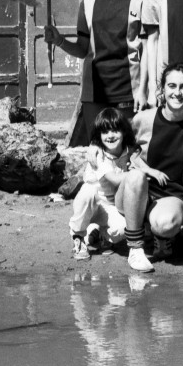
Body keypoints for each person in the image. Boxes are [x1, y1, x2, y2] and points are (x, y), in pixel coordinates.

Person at [44, 0, 148, 146]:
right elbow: (83, 50)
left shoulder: (140, 1)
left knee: (128, 148)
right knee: (98, 149)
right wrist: (59, 40)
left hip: (128, 89)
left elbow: (147, 50)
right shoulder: (88, 3)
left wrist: (144, 90)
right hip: (95, 92)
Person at [132, 63, 183, 261]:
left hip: (172, 196)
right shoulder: (142, 120)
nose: (177, 92)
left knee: (165, 224)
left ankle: (169, 231)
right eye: (171, 86)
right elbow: (121, 147)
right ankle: (137, 236)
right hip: (138, 192)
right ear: (162, 89)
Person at [68, 108, 154, 272]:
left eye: (115, 130)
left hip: (110, 205)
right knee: (87, 192)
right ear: (99, 135)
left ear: (123, 131)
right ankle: (78, 235)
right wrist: (139, 175)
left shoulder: (129, 151)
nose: (110, 135)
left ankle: (100, 234)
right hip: (92, 201)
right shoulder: (99, 154)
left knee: (123, 229)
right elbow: (114, 179)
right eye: (105, 132)